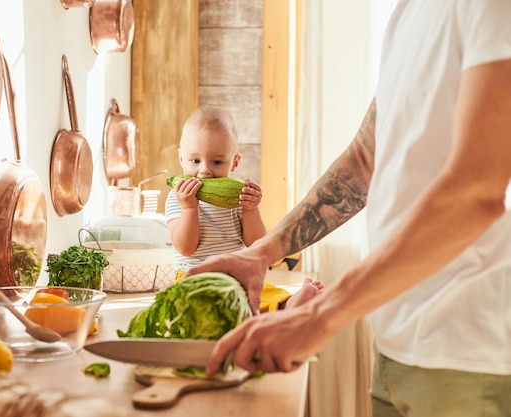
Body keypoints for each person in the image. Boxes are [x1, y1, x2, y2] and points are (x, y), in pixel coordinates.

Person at [185, 1, 511, 415]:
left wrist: (318, 317)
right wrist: (260, 253)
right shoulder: (409, 14)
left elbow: (475, 191)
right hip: (396, 341)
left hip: (466, 355)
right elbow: (363, 162)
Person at [165, 106, 323, 313]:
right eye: (195, 161)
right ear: (181, 159)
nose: (204, 170)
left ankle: (289, 303)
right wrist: (189, 208)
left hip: (239, 272)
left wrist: (251, 210)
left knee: (263, 291)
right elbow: (185, 248)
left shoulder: (237, 197)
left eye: (217, 162)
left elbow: (256, 243)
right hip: (193, 274)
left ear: (234, 163)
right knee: (185, 299)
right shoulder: (177, 198)